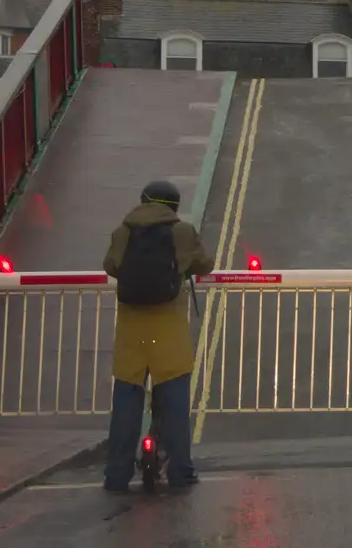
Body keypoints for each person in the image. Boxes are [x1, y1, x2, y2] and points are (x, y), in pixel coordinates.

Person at [101, 179, 215, 492]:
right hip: (168, 332)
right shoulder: (182, 232)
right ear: (173, 205)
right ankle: (181, 472)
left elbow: (110, 265)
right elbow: (205, 263)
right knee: (175, 405)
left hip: (131, 333)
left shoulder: (123, 231)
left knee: (126, 405)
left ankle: (117, 474)